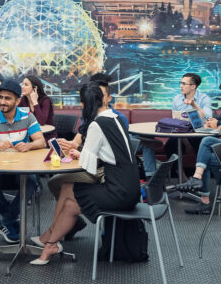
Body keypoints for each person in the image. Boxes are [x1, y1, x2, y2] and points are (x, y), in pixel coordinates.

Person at [29, 83, 140, 265]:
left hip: (117, 191)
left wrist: (77, 154)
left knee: (71, 198)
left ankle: (50, 242)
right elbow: (109, 154)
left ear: (86, 104)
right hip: (131, 187)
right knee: (68, 192)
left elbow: (87, 166)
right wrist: (83, 154)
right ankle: (50, 241)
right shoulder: (115, 118)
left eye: (81, 103)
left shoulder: (97, 124)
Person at [0, 77, 47, 243]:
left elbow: (41, 141)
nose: (2, 102)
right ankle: (11, 219)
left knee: (31, 180)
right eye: (0, 97)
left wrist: (28, 146)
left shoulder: (27, 116)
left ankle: (7, 220)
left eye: (7, 98)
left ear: (17, 100)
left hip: (20, 167)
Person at [174, 78, 221, 215]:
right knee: (205, 152)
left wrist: (220, 124)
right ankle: (201, 189)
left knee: (205, 148)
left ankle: (199, 184)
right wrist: (213, 122)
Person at [141, 72, 212, 178]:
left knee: (204, 146)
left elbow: (208, 118)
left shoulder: (204, 98)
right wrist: (187, 143)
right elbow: (176, 123)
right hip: (181, 134)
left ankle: (201, 180)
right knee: (170, 145)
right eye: (181, 83)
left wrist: (194, 105)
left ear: (193, 86)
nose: (181, 86)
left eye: (184, 84)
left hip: (198, 133)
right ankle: (181, 177)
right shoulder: (177, 99)